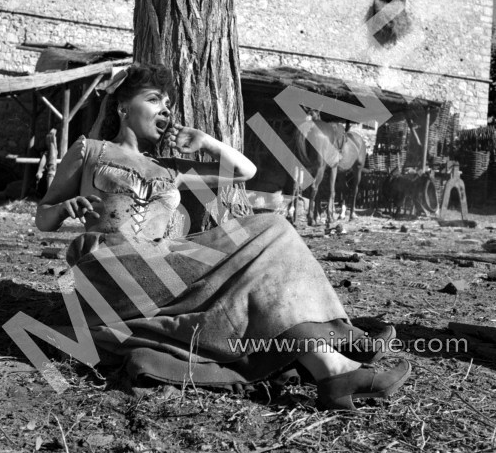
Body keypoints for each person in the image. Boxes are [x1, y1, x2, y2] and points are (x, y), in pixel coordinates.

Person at [36, 62, 411, 410]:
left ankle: (335, 369)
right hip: (108, 270)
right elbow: (43, 217)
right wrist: (64, 208)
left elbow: (244, 171)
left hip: (162, 266)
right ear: (121, 107)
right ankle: (339, 360)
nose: (165, 110)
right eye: (153, 100)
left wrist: (208, 143)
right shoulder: (90, 150)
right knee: (271, 233)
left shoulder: (171, 169)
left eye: (168, 104)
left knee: (273, 233)